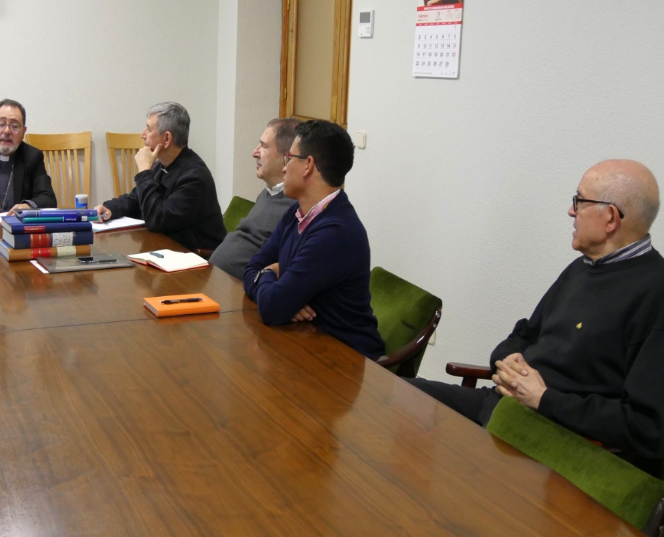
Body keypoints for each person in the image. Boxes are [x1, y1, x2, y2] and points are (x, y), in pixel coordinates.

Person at [405, 160, 664, 468]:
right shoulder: (582, 268)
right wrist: (507, 361)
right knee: (398, 395)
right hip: (505, 406)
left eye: (579, 201)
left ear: (609, 218)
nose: (571, 211)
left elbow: (647, 427)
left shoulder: (654, 293)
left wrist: (544, 398)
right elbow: (525, 334)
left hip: (554, 439)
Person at [243, 120, 384, 359]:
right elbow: (251, 269)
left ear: (308, 165)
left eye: (289, 158)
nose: (284, 168)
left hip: (344, 359)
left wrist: (269, 277)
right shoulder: (296, 213)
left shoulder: (336, 233)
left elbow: (272, 307)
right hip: (303, 341)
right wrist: (273, 282)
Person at [94, 102, 226, 251]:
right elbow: (136, 199)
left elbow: (157, 219)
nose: (142, 135)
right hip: (167, 250)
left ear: (167, 139)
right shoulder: (162, 166)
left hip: (197, 260)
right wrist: (110, 209)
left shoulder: (195, 177)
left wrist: (144, 171)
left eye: (149, 129)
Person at [210, 118, 299, 278]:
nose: (254, 152)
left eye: (264, 146)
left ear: (287, 157)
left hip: (240, 293)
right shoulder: (268, 193)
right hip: (216, 277)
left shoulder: (297, 208)